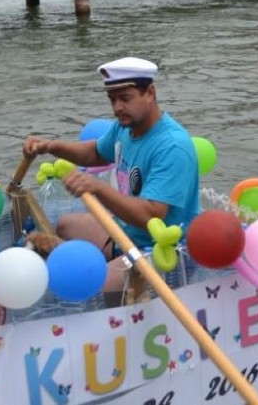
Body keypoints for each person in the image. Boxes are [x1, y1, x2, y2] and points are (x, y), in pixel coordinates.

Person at [22, 57, 199, 292]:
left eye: (125, 99)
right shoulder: (126, 126)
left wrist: (97, 188)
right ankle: (96, 261)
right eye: (112, 100)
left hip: (161, 250)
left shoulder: (172, 147)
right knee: (65, 225)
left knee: (94, 286)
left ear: (150, 93)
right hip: (125, 232)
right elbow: (96, 152)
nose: (117, 108)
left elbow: (152, 215)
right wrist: (51, 146)